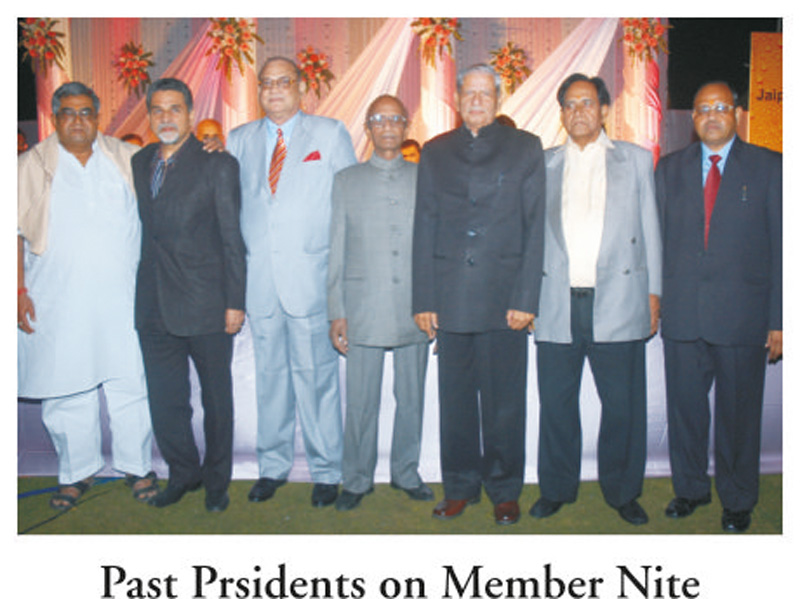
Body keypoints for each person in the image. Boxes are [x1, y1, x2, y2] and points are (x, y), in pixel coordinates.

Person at [412, 63, 545, 525]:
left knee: (505, 402)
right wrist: (424, 299)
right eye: (468, 92)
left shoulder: (525, 147)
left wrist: (527, 297)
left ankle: (505, 490)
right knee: (455, 401)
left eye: (485, 93)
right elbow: (424, 225)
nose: (476, 100)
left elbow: (535, 227)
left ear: (498, 98)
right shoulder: (435, 151)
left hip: (505, 299)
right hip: (450, 297)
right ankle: (459, 486)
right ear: (456, 98)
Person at [529, 73, 661, 526]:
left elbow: (651, 229)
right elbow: (529, 238)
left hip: (619, 300)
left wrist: (654, 293)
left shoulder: (635, 159)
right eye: (569, 104)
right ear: (561, 114)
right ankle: (556, 488)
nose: (578, 111)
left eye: (587, 102)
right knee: (556, 405)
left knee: (623, 406)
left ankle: (623, 492)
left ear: (604, 109)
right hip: (556, 302)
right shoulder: (543, 164)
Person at [17, 82, 157, 510]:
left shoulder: (127, 158)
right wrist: (17, 290)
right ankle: (76, 472)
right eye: (68, 112)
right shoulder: (28, 166)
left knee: (131, 381)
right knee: (66, 385)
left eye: (85, 112)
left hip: (123, 295)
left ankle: (137, 466)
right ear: (55, 118)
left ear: (97, 118)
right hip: (57, 297)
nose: (77, 121)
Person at [227, 57, 357, 508]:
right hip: (260, 283)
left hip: (312, 281)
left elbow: (347, 208)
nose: (274, 89)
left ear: (301, 88)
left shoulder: (329, 134)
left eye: (284, 82)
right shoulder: (238, 139)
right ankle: (272, 466)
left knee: (318, 379)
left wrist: (343, 287)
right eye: (266, 83)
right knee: (271, 381)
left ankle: (326, 470)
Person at [655, 81, 782, 533]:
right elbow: (657, 242)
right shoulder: (669, 169)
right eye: (703, 108)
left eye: (721, 107)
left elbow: (785, 248)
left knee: (739, 416)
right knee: (685, 413)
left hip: (743, 317)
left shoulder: (771, 167)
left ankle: (738, 498)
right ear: (693, 118)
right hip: (683, 315)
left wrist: (780, 319)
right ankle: (690, 489)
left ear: (737, 114)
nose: (712, 115)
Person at [132, 78, 246, 512]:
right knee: (166, 402)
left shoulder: (219, 164)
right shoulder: (140, 160)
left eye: (175, 108)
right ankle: (183, 473)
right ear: (149, 115)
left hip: (206, 302)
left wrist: (235, 301)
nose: (166, 117)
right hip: (152, 304)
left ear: (191, 114)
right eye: (158, 109)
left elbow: (232, 237)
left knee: (216, 401)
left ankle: (217, 483)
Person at [327, 95, 433, 511]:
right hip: (363, 306)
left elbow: (436, 246)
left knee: (412, 397)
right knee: (361, 401)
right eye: (378, 119)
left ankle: (406, 472)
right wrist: (337, 310)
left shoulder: (427, 178)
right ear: (368, 128)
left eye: (395, 119)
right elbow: (336, 248)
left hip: (415, 306)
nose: (388, 126)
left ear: (406, 126)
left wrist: (436, 302)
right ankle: (356, 478)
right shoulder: (346, 180)